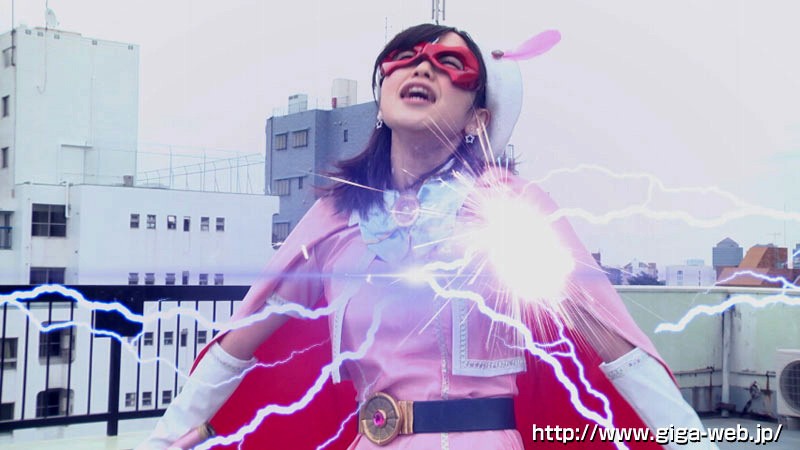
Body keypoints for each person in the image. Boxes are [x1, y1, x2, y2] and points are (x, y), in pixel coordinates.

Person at [138, 23, 714, 450]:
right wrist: (163, 441)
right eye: (405, 58)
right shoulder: (335, 215)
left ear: (478, 118)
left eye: (450, 64)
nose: (422, 69)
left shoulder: (508, 207)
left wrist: (689, 440)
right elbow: (240, 343)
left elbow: (608, 337)